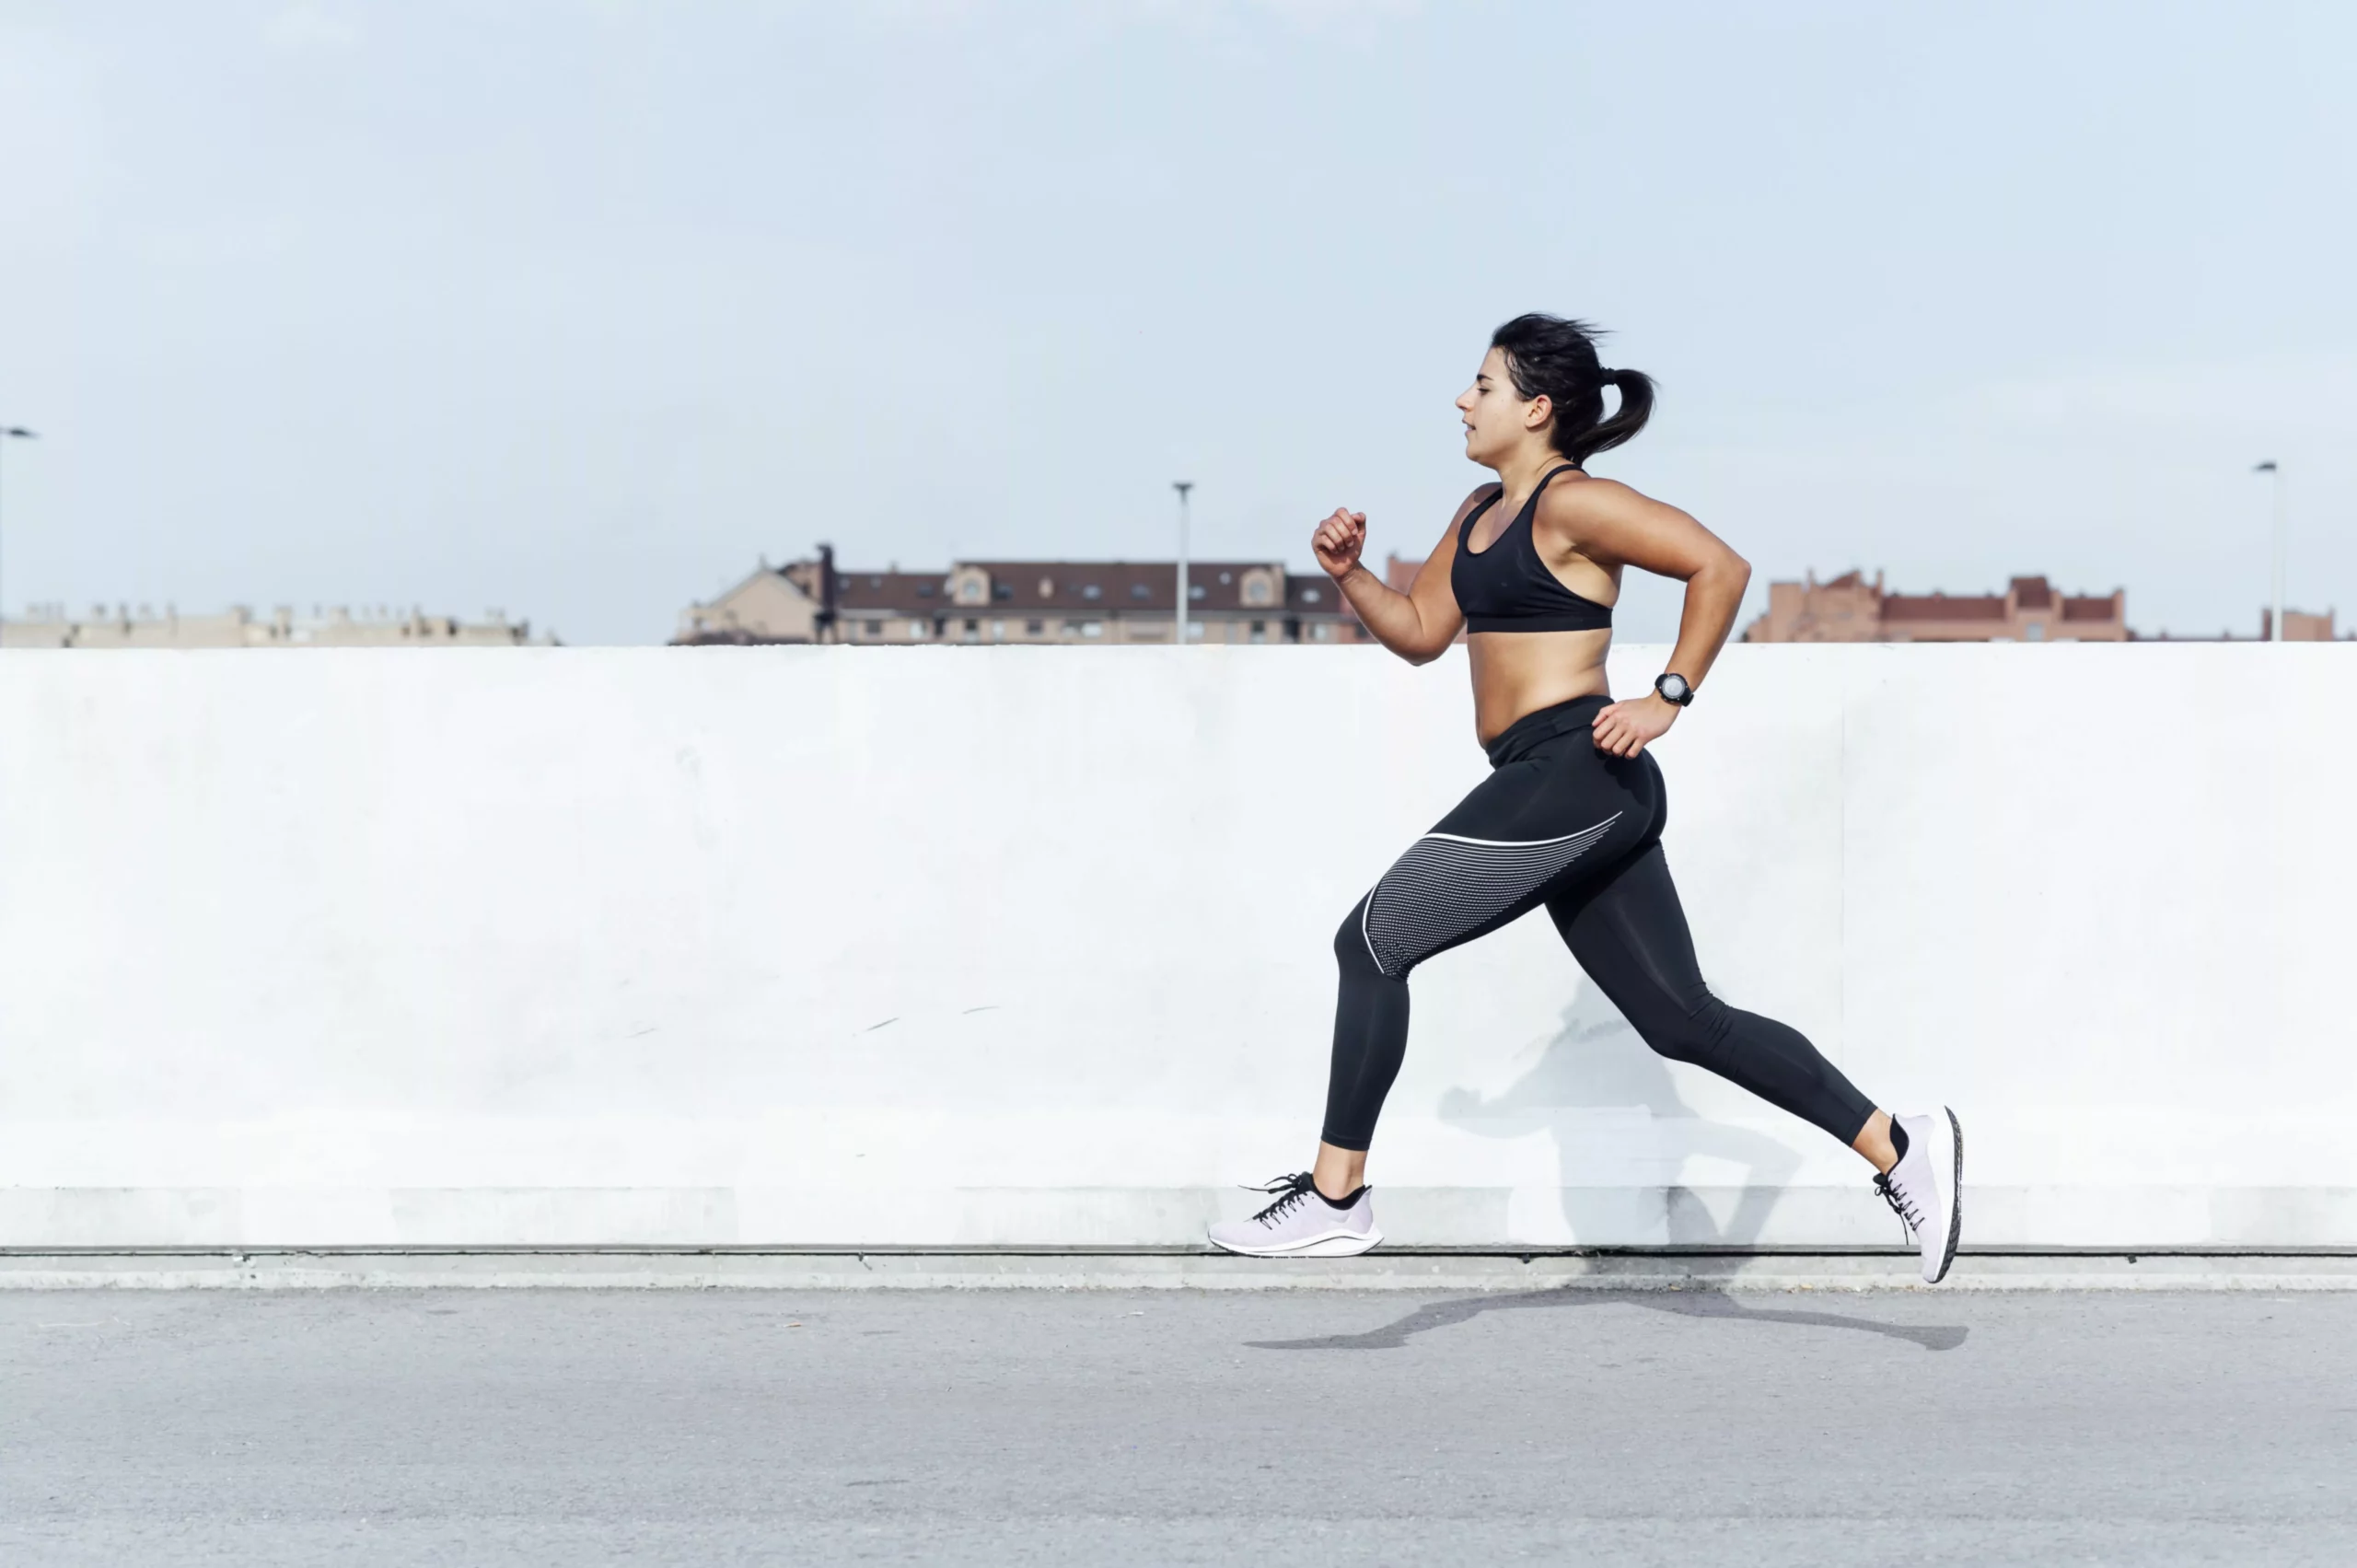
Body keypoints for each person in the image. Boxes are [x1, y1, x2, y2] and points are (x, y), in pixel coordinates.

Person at [1206, 315, 1961, 1283]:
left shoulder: (1575, 505)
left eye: (1480, 385)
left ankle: (1336, 1193)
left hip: (1577, 767)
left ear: (1535, 407)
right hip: (1555, 782)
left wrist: (1668, 696)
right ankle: (1901, 1147)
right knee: (1684, 1021)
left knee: (1371, 941)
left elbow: (1718, 568)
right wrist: (1352, 576)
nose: (1461, 400)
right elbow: (1423, 630)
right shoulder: (1479, 511)